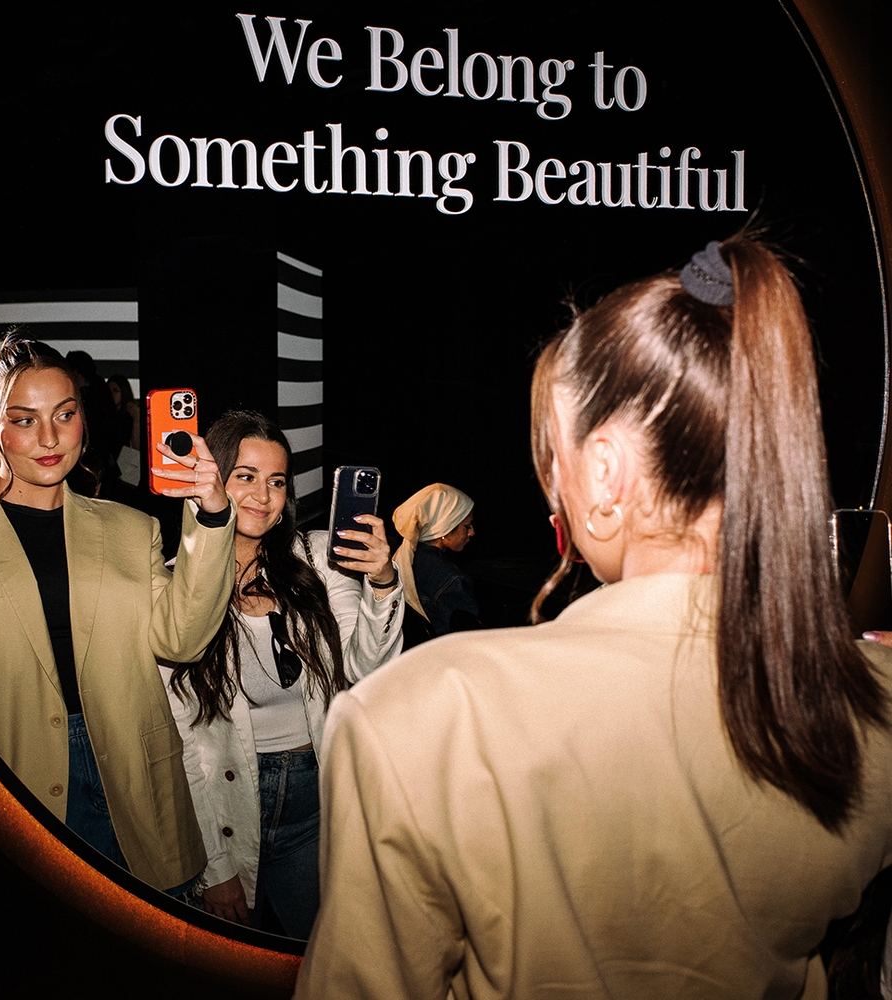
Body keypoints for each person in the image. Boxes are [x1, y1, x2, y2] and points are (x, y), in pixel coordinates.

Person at [293, 236, 892, 999]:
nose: (553, 493)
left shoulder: (420, 718)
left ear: (604, 474)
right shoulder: (873, 702)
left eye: (555, 459)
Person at [0, 334, 236, 893]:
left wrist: (212, 515)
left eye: (65, 414)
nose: (49, 438)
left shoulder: (131, 528)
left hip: (135, 787)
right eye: (24, 420)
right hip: (16, 786)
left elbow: (182, 641)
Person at [163, 410, 403, 938]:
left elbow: (367, 669)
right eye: (245, 476)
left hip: (315, 797)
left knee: (318, 958)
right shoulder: (176, 587)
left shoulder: (314, 559)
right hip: (229, 807)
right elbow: (182, 741)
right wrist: (214, 866)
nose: (263, 495)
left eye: (276, 481)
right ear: (211, 478)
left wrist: (384, 582)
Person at [392, 483, 479, 643]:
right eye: (467, 526)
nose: (472, 532)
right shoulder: (450, 578)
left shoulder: (406, 560)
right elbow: (468, 639)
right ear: (445, 528)